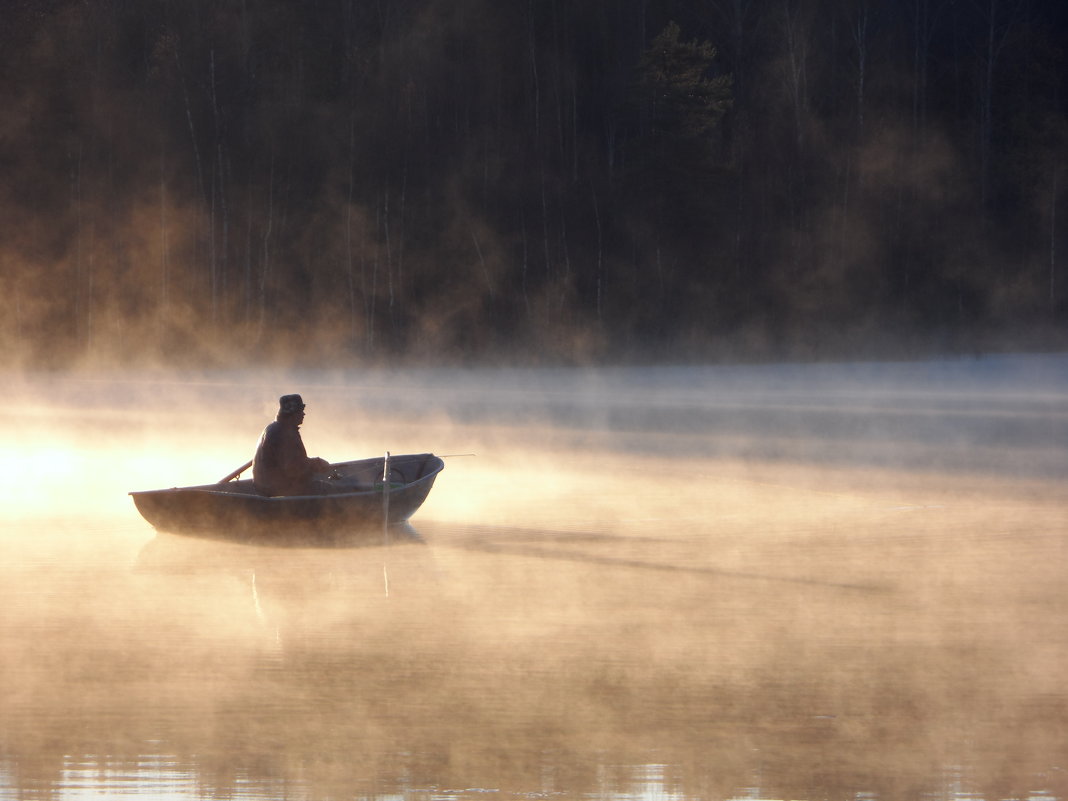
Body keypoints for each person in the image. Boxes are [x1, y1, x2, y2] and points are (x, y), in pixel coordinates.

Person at [252, 394, 332, 496]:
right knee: (330, 490)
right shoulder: (284, 433)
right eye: (300, 411)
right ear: (292, 414)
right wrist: (316, 463)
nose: (303, 414)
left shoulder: (273, 428)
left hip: (264, 487)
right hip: (276, 490)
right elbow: (293, 469)